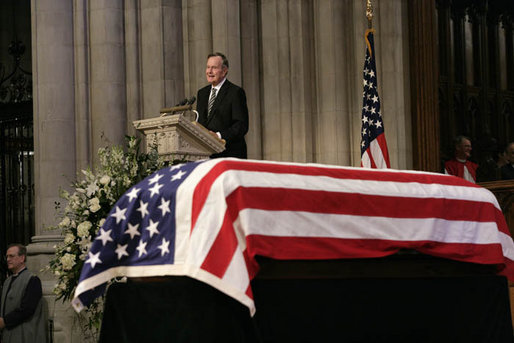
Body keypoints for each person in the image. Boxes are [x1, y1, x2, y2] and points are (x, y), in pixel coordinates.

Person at [196, 52, 249, 158]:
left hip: (229, 154)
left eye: (214, 68)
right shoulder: (202, 93)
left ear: (224, 71)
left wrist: (218, 136)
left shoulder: (235, 92)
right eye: (208, 67)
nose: (209, 71)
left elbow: (241, 125)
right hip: (207, 155)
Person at [0, 244, 46, 343]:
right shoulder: (7, 281)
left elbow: (27, 309)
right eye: (7, 256)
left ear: (22, 258)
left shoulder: (32, 280)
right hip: (8, 335)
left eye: (11, 256)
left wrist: (5, 321)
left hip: (25, 335)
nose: (8, 259)